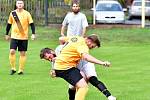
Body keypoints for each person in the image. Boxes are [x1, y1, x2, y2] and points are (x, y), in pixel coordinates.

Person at [40, 34, 113, 100]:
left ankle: (109, 96)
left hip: (67, 67)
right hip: (66, 67)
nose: (91, 48)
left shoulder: (76, 38)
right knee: (83, 87)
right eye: (92, 46)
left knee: (83, 81)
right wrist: (102, 63)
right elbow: (86, 57)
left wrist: (64, 49)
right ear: (90, 41)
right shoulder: (82, 45)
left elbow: (61, 38)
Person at [5, 0, 36, 75]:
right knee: (12, 51)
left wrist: (33, 34)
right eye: (18, 3)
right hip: (14, 36)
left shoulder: (27, 13)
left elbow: (32, 24)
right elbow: (9, 24)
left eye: (21, 3)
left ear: (23, 5)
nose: (20, 4)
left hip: (24, 37)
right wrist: (6, 34)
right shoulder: (13, 13)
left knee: (22, 53)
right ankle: (13, 68)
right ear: (16, 4)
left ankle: (21, 70)